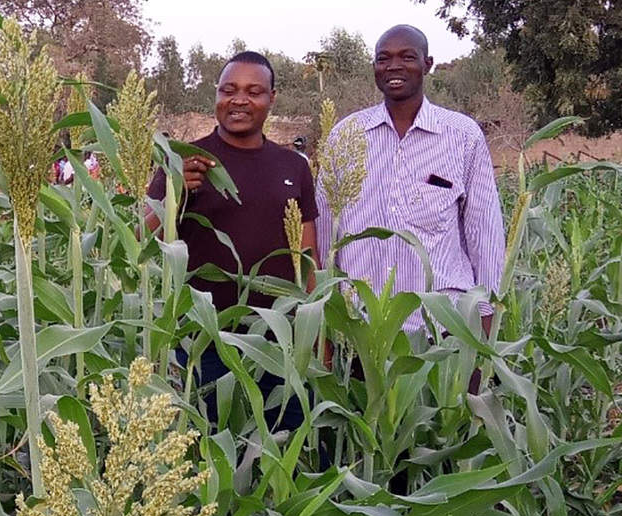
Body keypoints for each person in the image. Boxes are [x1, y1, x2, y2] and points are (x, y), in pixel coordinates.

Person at [146, 51, 319, 432]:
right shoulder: (183, 159)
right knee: (208, 453)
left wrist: (314, 333)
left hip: (278, 341)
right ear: (217, 95)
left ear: (272, 98)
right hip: (201, 341)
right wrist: (175, 192)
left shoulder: (293, 167)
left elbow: (307, 257)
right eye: (229, 89)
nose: (239, 100)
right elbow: (142, 238)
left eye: (253, 91)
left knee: (281, 447)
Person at [315, 25, 505, 336]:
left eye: (407, 57)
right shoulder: (346, 135)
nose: (394, 66)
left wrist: (484, 319)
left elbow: (484, 234)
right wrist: (326, 317)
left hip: (442, 326)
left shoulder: (462, 136)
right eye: (383, 58)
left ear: (427, 64)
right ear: (374, 67)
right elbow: (325, 232)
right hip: (360, 328)